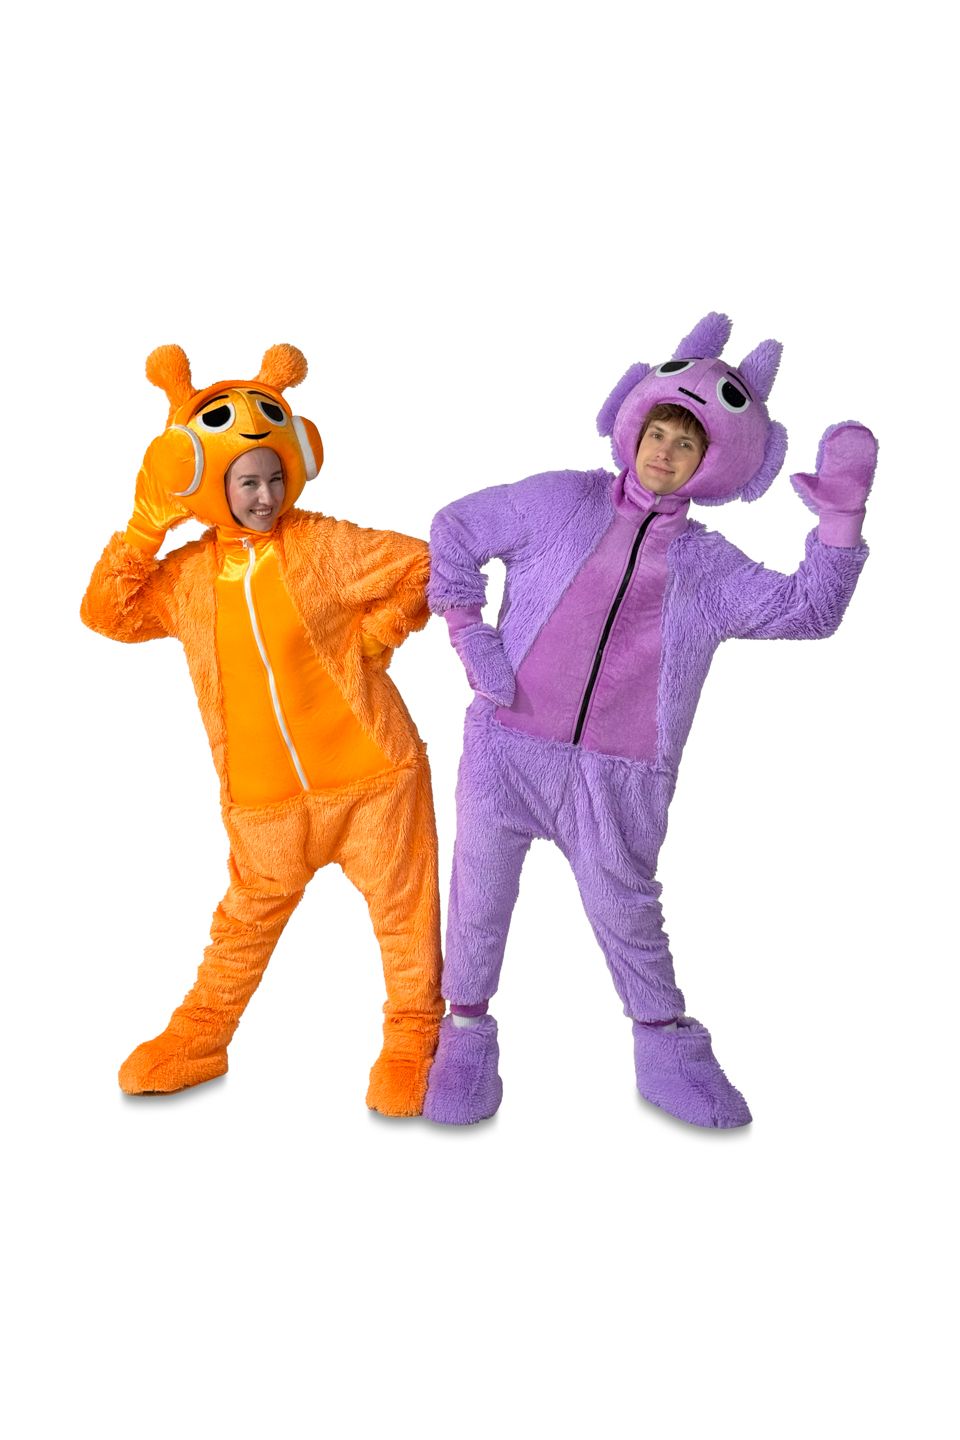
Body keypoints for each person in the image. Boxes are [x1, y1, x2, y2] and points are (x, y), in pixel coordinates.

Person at [422, 312, 877, 1128]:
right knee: (477, 901)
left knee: (630, 919)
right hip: (505, 749)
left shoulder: (706, 565)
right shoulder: (560, 500)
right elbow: (455, 528)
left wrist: (839, 527)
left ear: (713, 462)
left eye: (687, 443)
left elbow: (809, 611)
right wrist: (467, 628)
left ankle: (667, 1051)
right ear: (633, 426)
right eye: (659, 432)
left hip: (619, 777)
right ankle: (463, 1040)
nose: (665, 452)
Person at [81, 343, 443, 1111]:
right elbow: (106, 614)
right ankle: (199, 1039)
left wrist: (378, 635)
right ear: (204, 480)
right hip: (265, 805)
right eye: (247, 481)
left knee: (407, 921)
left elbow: (425, 564)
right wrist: (145, 528)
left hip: (375, 780)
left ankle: (415, 1041)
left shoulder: (321, 545)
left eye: (276, 476)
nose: (265, 494)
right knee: (240, 930)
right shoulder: (185, 578)